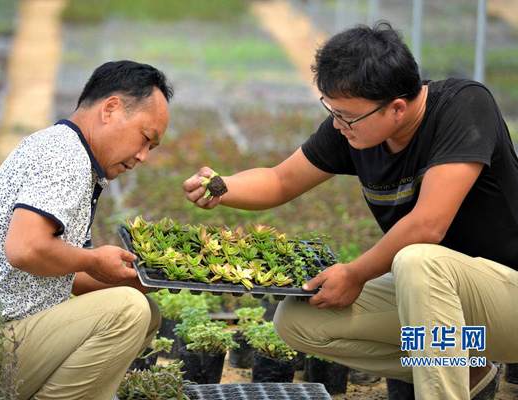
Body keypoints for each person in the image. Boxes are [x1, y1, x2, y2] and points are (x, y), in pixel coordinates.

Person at [183, 22, 518, 400]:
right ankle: (467, 367)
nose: (338, 124)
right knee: (299, 321)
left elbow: (428, 224)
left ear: (397, 108)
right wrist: (222, 186)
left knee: (418, 260)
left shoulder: (464, 106)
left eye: (347, 116)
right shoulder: (357, 127)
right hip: (441, 304)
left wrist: (355, 273)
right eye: (332, 111)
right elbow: (280, 180)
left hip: (508, 296)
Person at [0, 60, 172, 399]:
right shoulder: (65, 154)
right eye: (145, 138)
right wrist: (93, 260)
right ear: (111, 109)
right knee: (128, 312)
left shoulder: (72, 155)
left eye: (151, 148)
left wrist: (142, 278)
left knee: (145, 312)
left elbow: (59, 271)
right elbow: (25, 249)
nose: (143, 156)